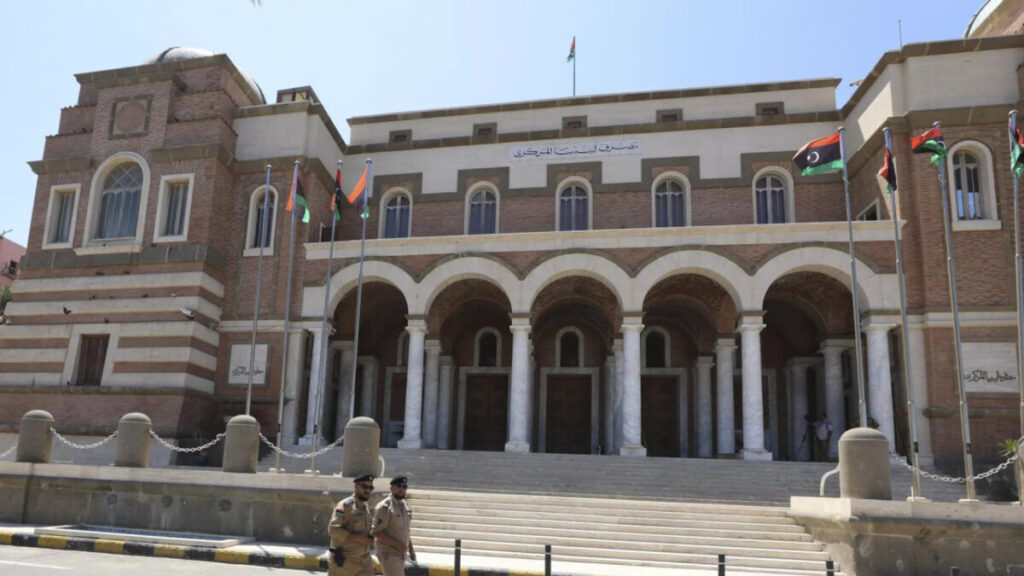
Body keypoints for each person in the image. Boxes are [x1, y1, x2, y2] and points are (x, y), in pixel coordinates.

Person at [327, 473, 376, 576]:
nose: (368, 490)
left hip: (364, 561)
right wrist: (359, 538)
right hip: (345, 562)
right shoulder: (345, 506)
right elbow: (333, 530)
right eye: (364, 486)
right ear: (356, 486)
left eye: (370, 487)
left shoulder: (365, 507)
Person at [373, 475, 416, 575]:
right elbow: (376, 532)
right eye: (399, 486)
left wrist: (411, 549)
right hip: (388, 552)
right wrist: (398, 545)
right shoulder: (385, 507)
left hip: (401, 552)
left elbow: (405, 530)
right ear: (391, 488)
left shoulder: (405, 506)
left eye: (404, 487)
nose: (402, 489)